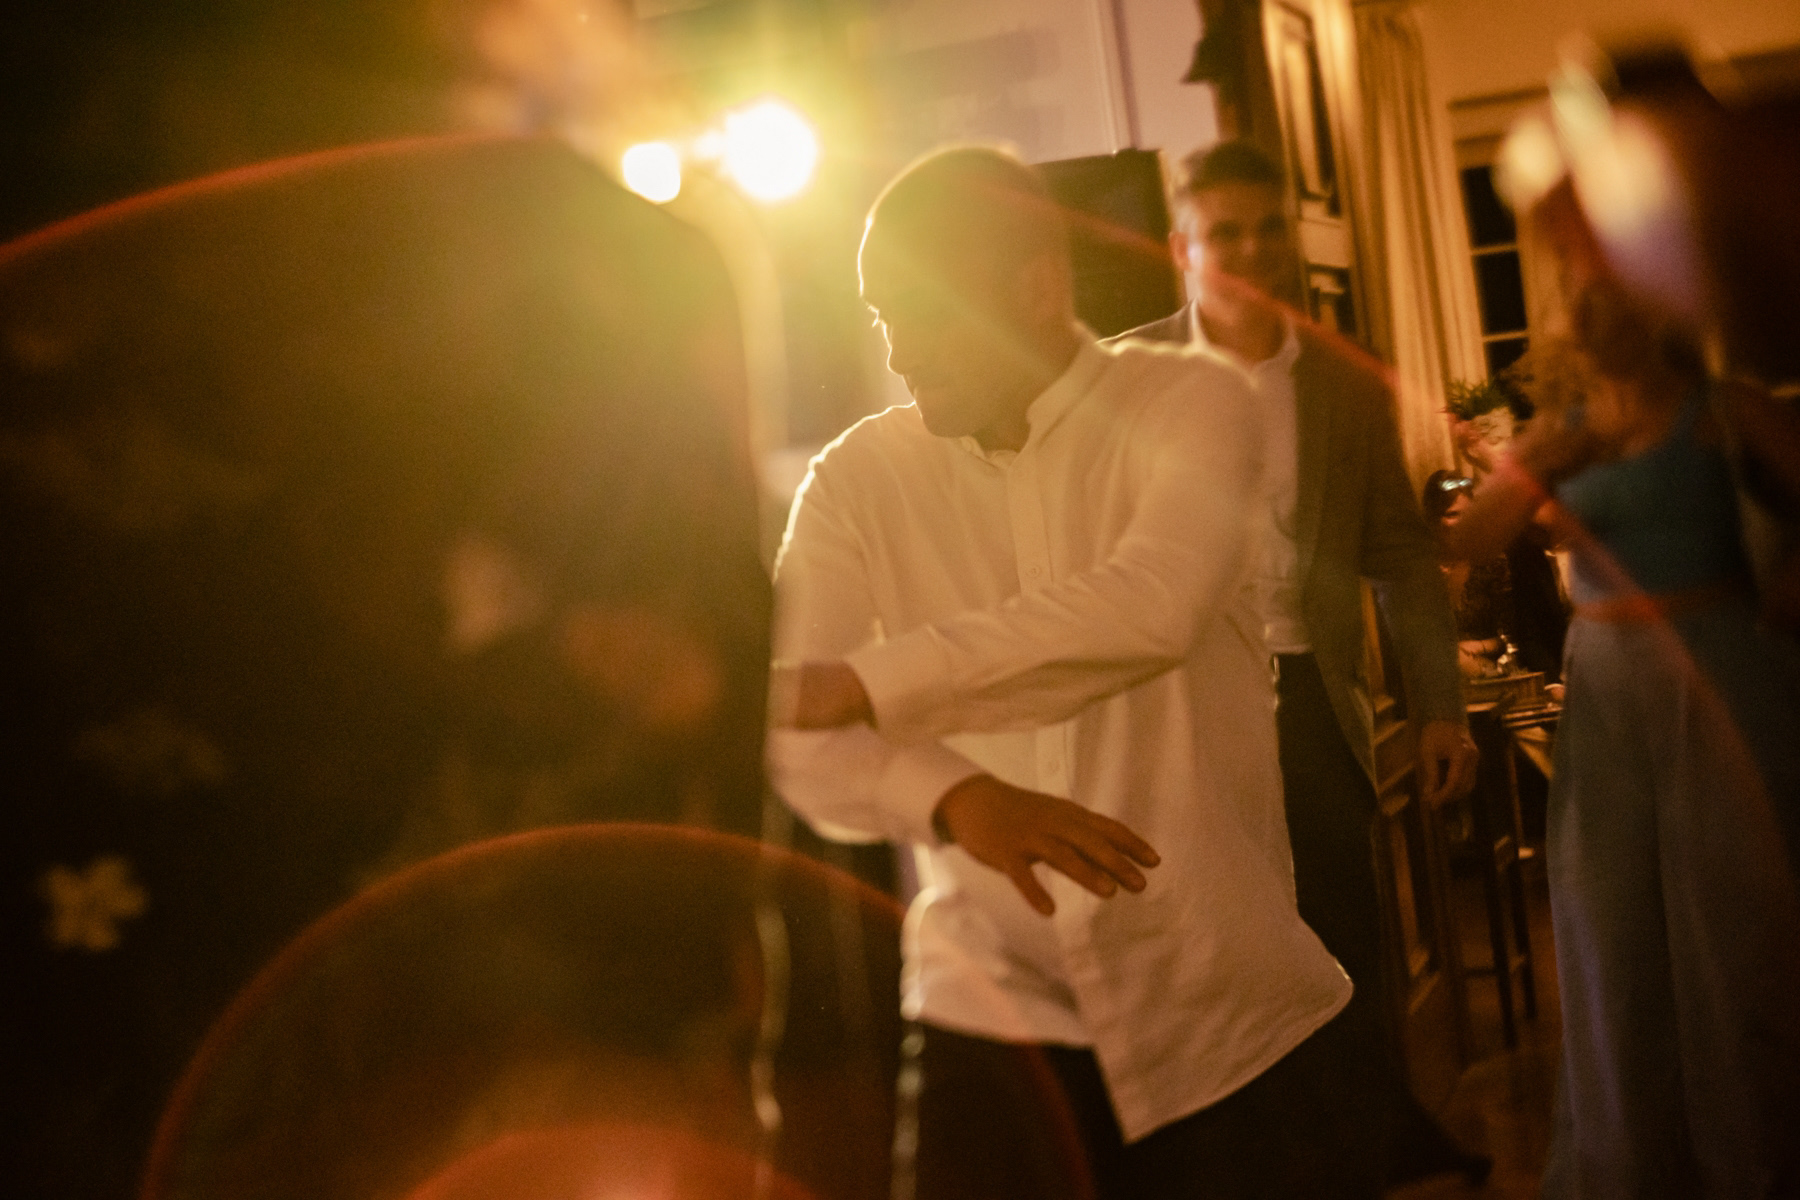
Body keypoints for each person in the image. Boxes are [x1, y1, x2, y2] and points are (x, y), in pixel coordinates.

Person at [766, 145, 1372, 1200]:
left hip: (1214, 1002)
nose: (900, 351)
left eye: (924, 311)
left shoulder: (1194, 405)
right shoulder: (855, 481)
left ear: (1039, 288)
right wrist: (955, 799)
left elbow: (1151, 605)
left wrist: (870, 684)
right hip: (987, 1010)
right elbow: (789, 727)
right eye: (882, 317)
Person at [1110, 141, 1484, 1186]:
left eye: (1268, 228)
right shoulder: (1125, 377)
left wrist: (1442, 706)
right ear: (1183, 247)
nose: (1251, 250)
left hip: (1314, 697)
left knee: (1344, 940)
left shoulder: (1342, 377)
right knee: (1217, 944)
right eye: (1225, 232)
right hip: (1187, 704)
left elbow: (1398, 552)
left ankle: (1363, 1153)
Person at [1445, 182, 1800, 1198]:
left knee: (1733, 927)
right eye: (1578, 282)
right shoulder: (1559, 425)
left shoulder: (1723, 407)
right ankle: (1632, 1165)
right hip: (1603, 683)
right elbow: (1469, 543)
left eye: (1612, 278)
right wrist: (1539, 461)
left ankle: (1755, 1161)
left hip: (1719, 673)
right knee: (1611, 927)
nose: (1592, 297)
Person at [1423, 470, 1515, 678]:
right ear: (1434, 518)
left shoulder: (1491, 562)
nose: (1462, 522)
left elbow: (1512, 636)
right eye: (1452, 514)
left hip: (1490, 666)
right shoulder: (1421, 567)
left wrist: (1478, 646)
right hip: (1435, 670)